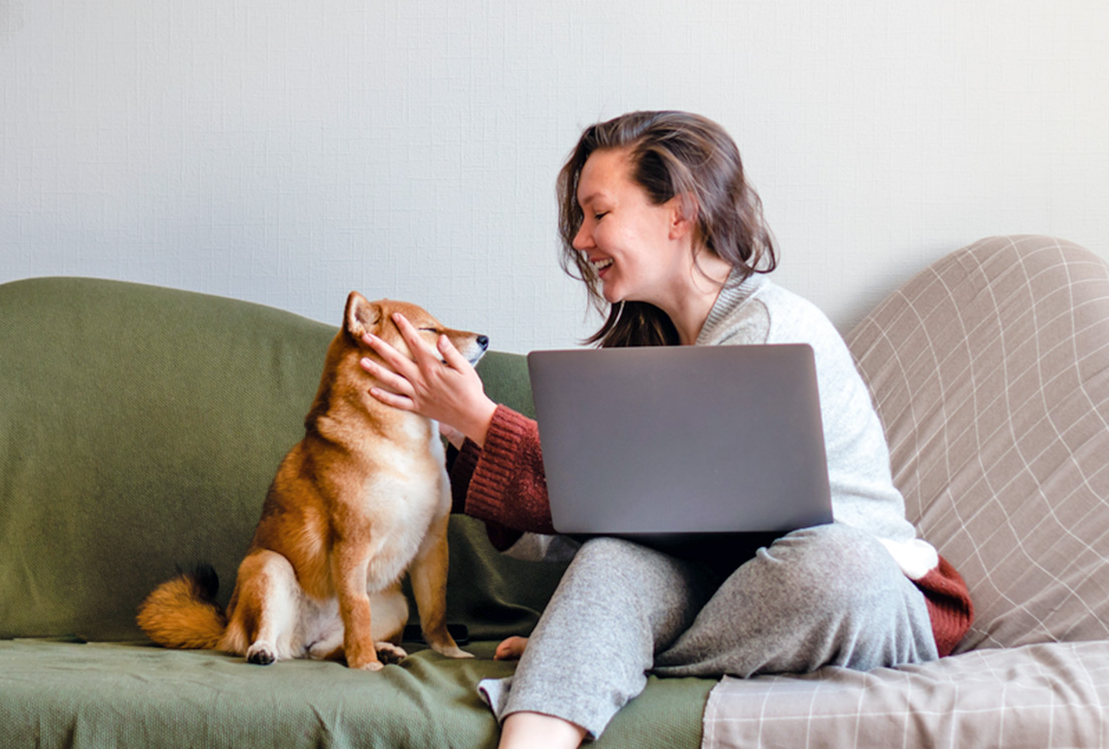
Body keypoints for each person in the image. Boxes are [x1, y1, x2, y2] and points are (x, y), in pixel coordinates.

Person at [360, 111, 974, 749]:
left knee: (834, 564)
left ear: (677, 215)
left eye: (598, 214)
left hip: (852, 589)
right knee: (609, 561)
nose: (579, 239)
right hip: (722, 585)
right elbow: (587, 531)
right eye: (579, 219)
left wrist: (484, 420)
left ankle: (617, 656)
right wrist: (458, 426)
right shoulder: (639, 355)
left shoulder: (767, 328)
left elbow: (724, 519)